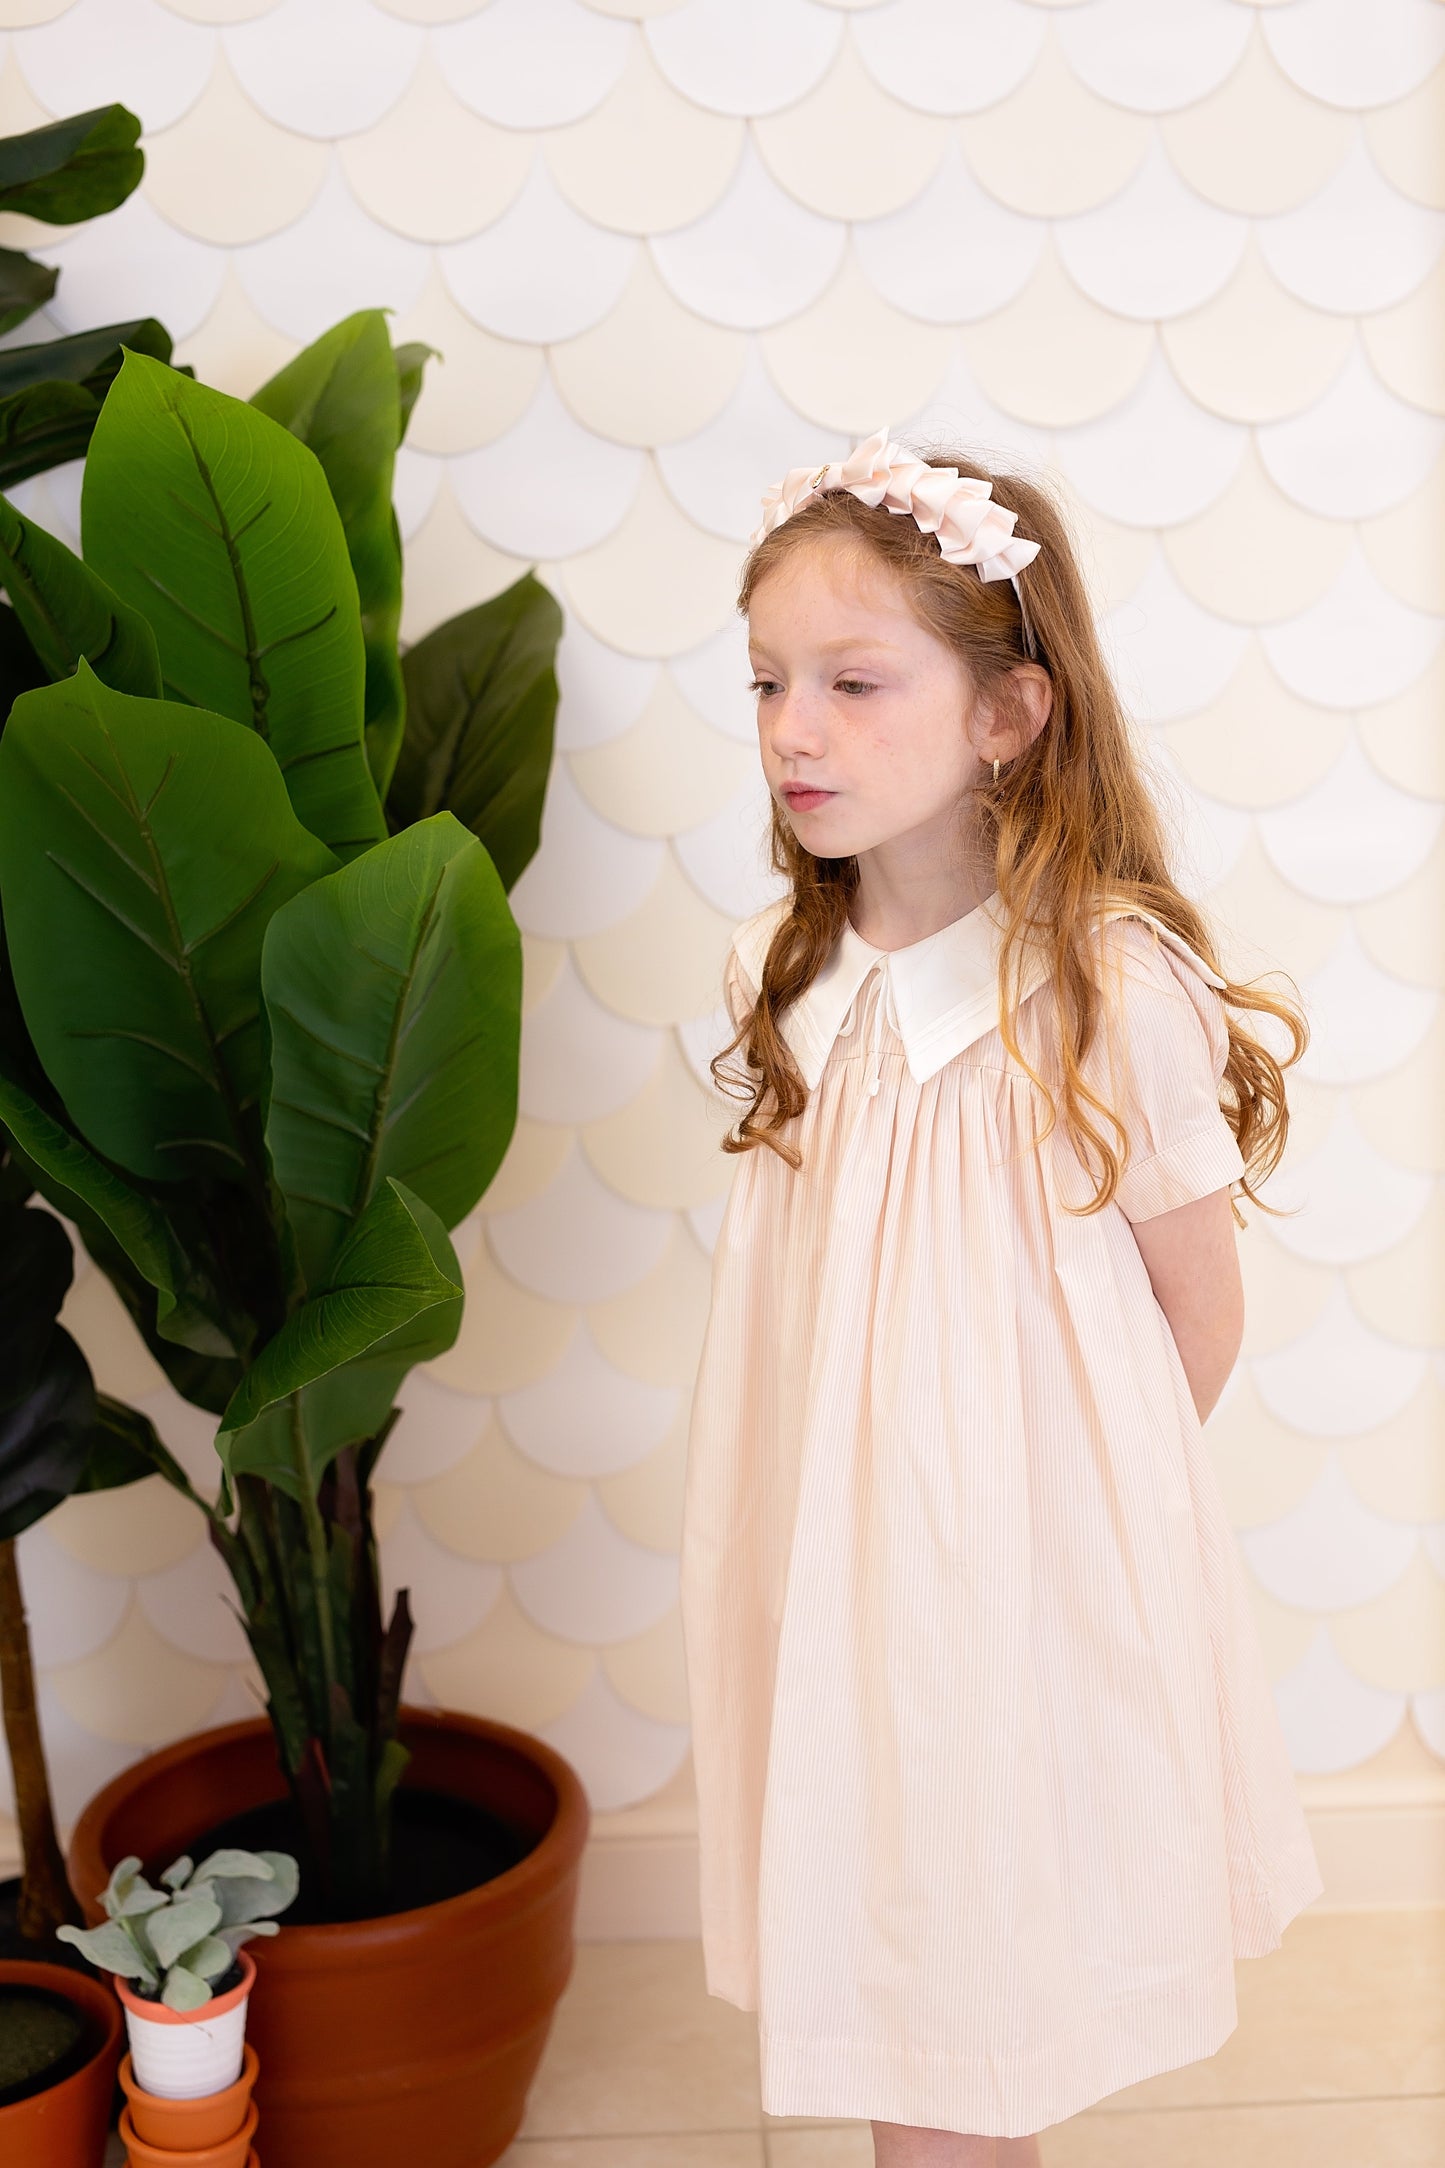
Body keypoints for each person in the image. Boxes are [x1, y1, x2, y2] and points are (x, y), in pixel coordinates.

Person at [677, 429, 1325, 2168]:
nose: (791, 730)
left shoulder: (1100, 986)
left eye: (852, 682)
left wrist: (1043, 1535)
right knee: (892, 1925)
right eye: (766, 682)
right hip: (827, 1557)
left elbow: (1193, 1310)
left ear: (1007, 713)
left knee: (968, 1956)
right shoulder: (784, 977)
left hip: (1009, 1572)